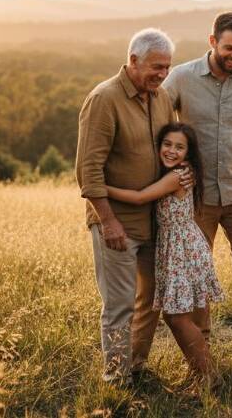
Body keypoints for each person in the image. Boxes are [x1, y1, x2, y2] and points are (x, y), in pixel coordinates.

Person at [162, 12, 232, 361]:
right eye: (229, 47)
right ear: (212, 42)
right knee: (198, 276)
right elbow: (159, 130)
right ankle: (203, 353)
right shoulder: (180, 78)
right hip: (196, 198)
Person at [75, 28, 176, 384]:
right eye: (156, 67)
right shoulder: (104, 98)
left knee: (149, 302)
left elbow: (172, 148)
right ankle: (116, 380)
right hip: (117, 221)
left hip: (155, 221)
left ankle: (135, 366)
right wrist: (108, 221)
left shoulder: (161, 97)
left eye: (167, 67)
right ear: (133, 60)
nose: (163, 74)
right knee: (118, 305)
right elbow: (88, 168)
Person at [105, 123, 224, 389]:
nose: (171, 150)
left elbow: (138, 197)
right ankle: (201, 373)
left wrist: (101, 188)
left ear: (188, 153)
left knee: (177, 316)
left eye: (179, 147)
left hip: (182, 248)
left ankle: (208, 375)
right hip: (179, 247)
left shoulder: (176, 177)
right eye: (167, 144)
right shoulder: (181, 173)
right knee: (177, 315)